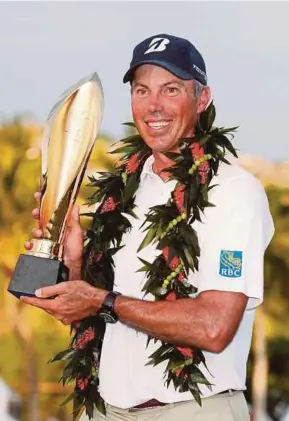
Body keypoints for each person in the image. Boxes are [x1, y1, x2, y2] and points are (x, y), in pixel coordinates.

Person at [22, 34, 274, 421]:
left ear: (202, 99)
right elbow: (89, 310)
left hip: (193, 411)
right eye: (142, 90)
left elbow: (214, 326)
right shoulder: (123, 190)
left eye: (170, 89)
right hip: (107, 410)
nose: (153, 105)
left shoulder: (234, 192)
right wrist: (72, 262)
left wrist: (102, 301)